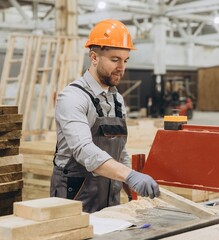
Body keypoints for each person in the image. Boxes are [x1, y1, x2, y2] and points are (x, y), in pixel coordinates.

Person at [50, 19, 160, 213]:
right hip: (75, 195)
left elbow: (120, 152)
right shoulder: (73, 97)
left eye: (125, 60)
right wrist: (130, 175)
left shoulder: (116, 99)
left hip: (109, 195)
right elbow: (84, 150)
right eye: (114, 59)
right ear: (94, 57)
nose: (121, 67)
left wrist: (131, 191)